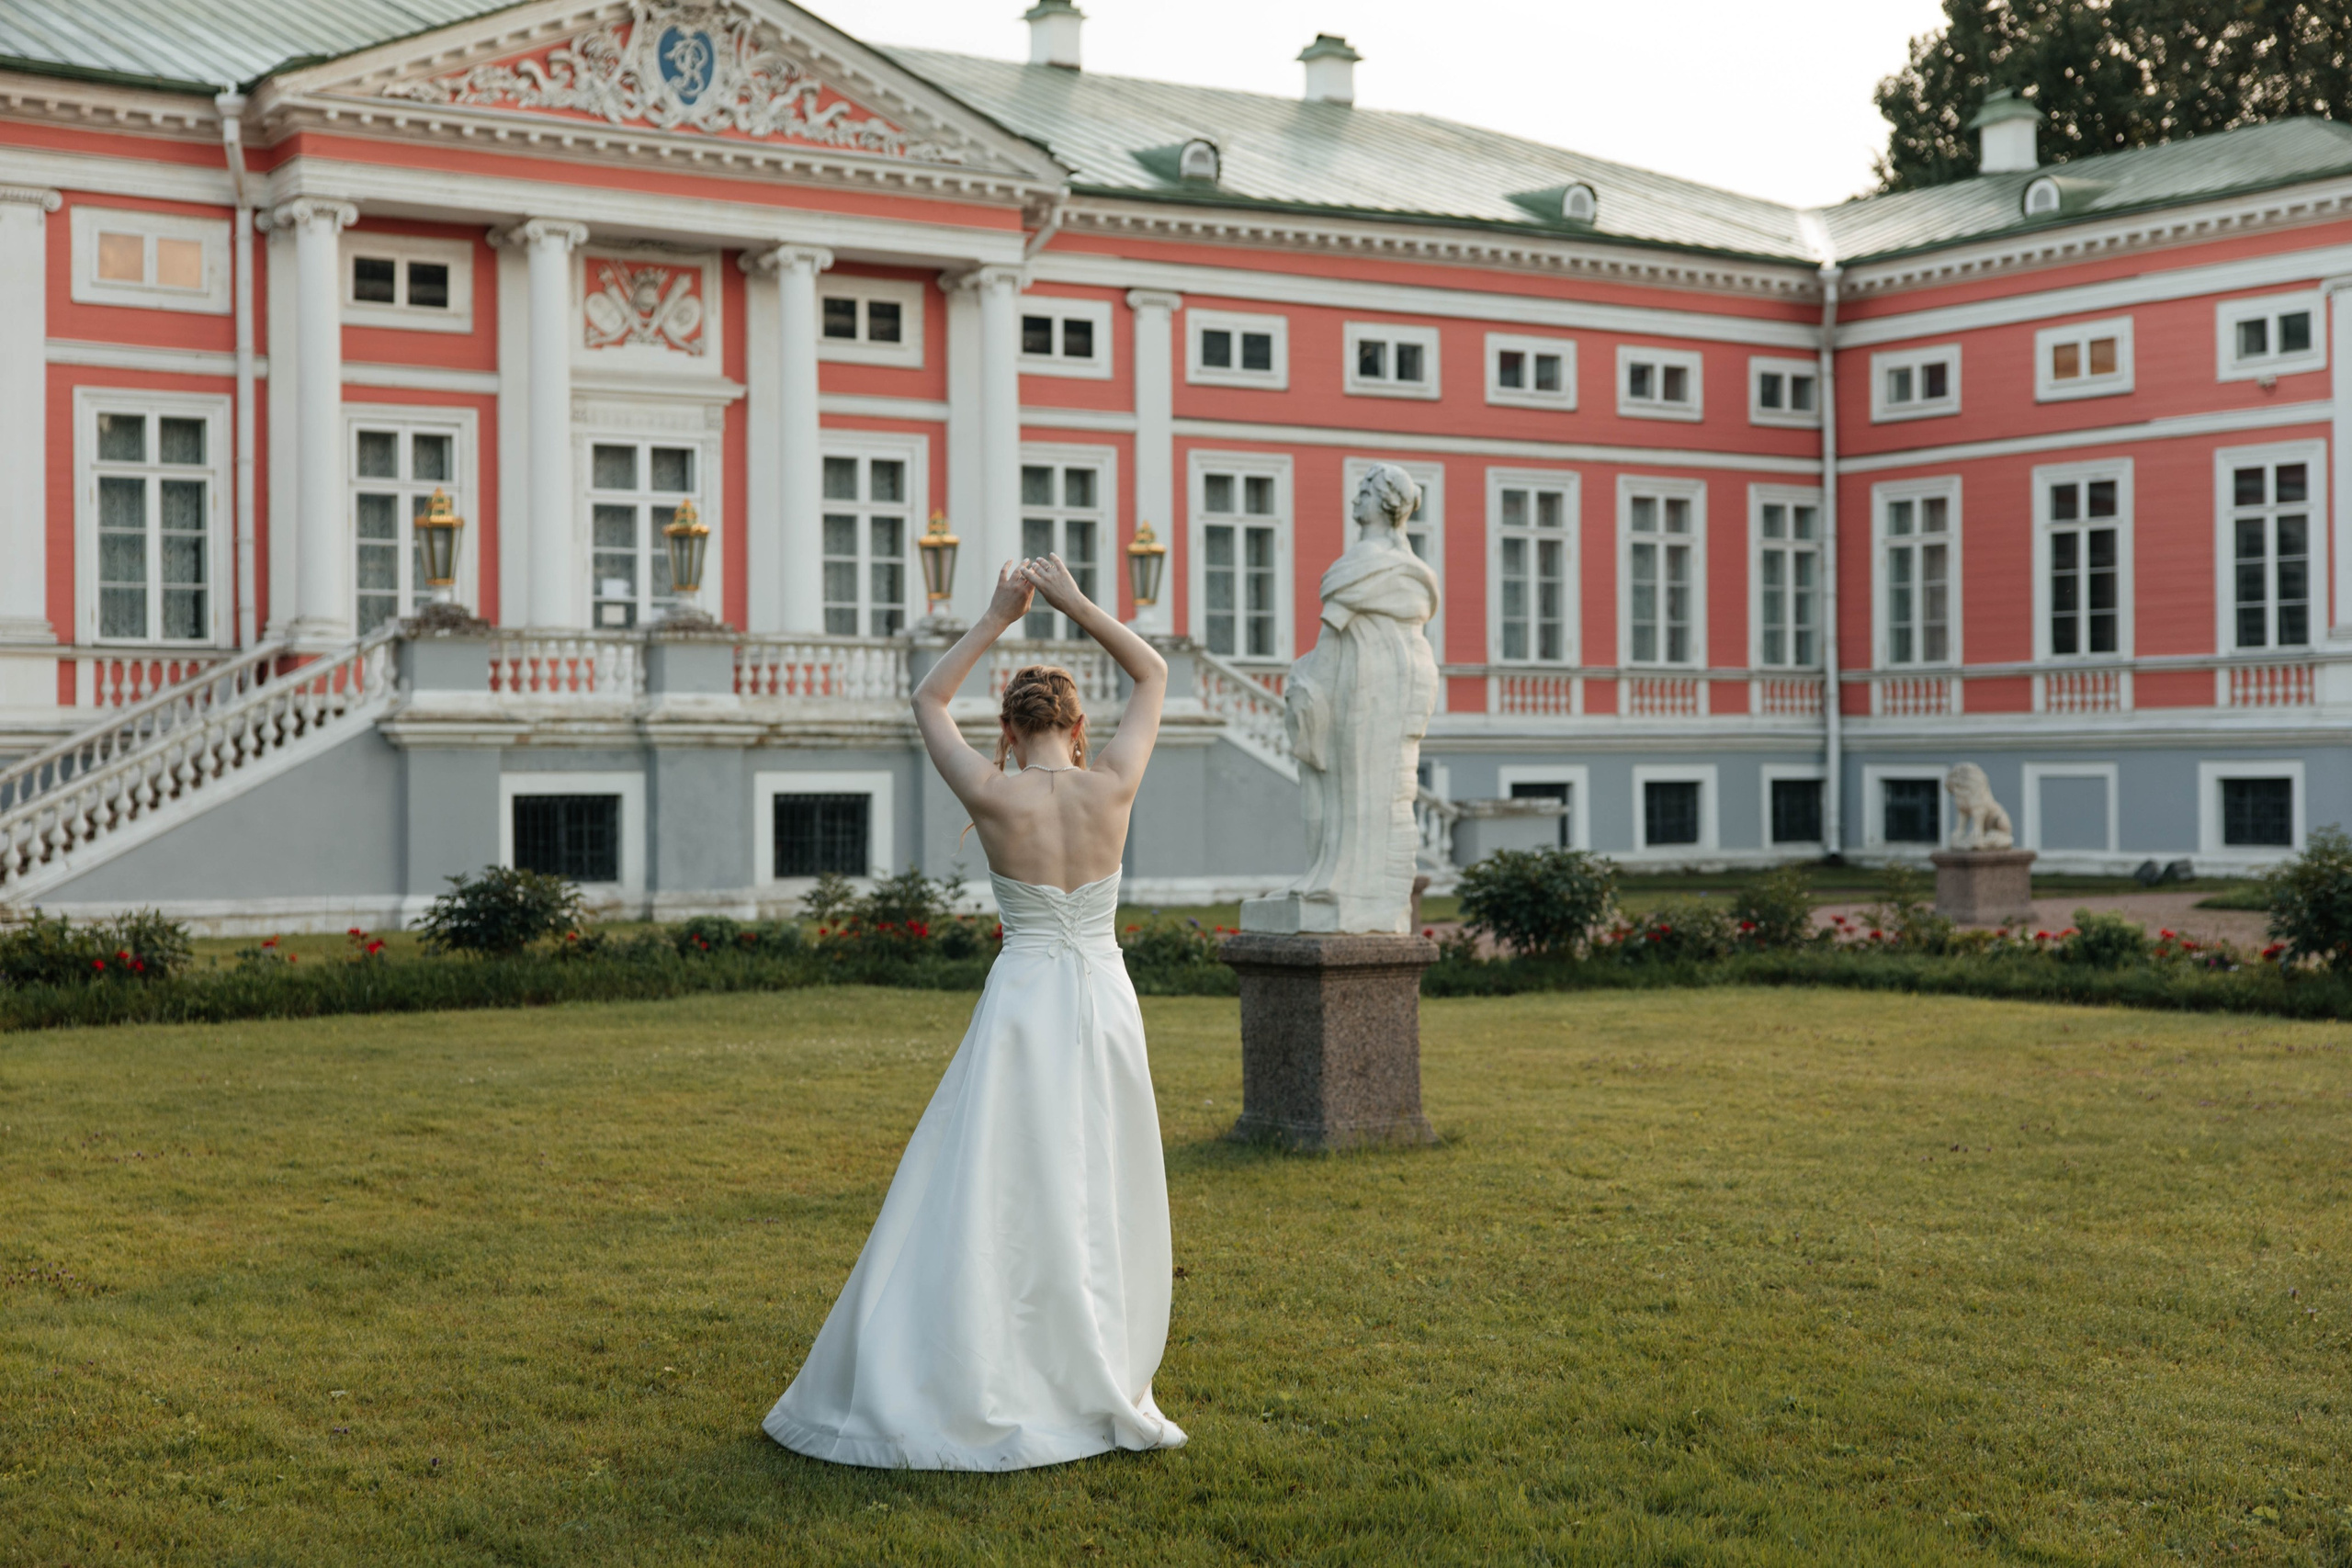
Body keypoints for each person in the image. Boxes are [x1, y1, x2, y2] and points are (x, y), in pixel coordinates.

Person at [762, 553, 1185, 1471]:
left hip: (1027, 1000)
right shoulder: (1113, 778)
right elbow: (1153, 671)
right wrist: (1075, 606)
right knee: (1093, 1178)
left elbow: (924, 699)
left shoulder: (991, 793)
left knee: (999, 1181)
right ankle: (1089, 1361)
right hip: (1104, 1001)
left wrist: (999, 615)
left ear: (1010, 726)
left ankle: (999, 1351)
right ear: (1076, 724)